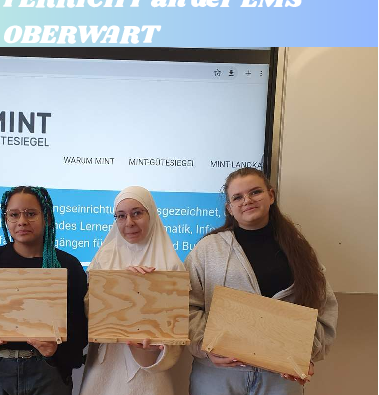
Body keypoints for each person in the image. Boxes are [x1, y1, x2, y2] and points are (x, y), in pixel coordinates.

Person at [185, 167, 338, 395]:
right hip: (218, 376)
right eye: (237, 197)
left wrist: (305, 352)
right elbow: (185, 305)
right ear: (229, 208)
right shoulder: (207, 249)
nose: (247, 200)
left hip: (279, 379)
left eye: (255, 192)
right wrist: (205, 345)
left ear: (271, 195)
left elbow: (323, 306)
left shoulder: (299, 249)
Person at [0, 186, 88, 395]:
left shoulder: (68, 265)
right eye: (14, 215)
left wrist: (57, 350)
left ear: (47, 217)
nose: (22, 221)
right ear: (6, 219)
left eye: (31, 214)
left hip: (49, 373)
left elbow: (81, 328)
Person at [79, 186, 186, 395]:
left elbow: (178, 326)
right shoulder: (104, 258)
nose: (129, 222)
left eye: (137, 213)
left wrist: (157, 344)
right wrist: (120, 285)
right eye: (121, 216)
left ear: (151, 214)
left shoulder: (171, 264)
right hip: (106, 369)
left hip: (150, 371)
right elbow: (89, 310)